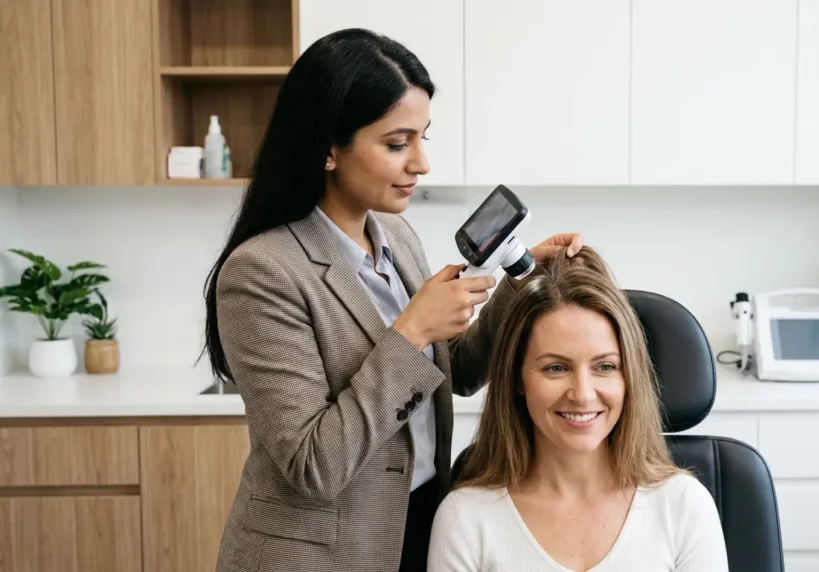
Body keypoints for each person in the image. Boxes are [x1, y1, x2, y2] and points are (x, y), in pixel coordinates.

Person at [200, 28, 583, 572]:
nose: (422, 163)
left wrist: (519, 283)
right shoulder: (261, 272)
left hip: (419, 523)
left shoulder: (396, 238)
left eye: (423, 137)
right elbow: (312, 467)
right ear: (329, 148)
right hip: (319, 555)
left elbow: (456, 376)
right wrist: (412, 333)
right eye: (398, 143)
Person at [426, 247, 730, 572]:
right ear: (516, 378)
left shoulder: (685, 507)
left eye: (605, 367)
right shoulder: (465, 519)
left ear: (630, 377)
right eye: (556, 368)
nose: (583, 395)